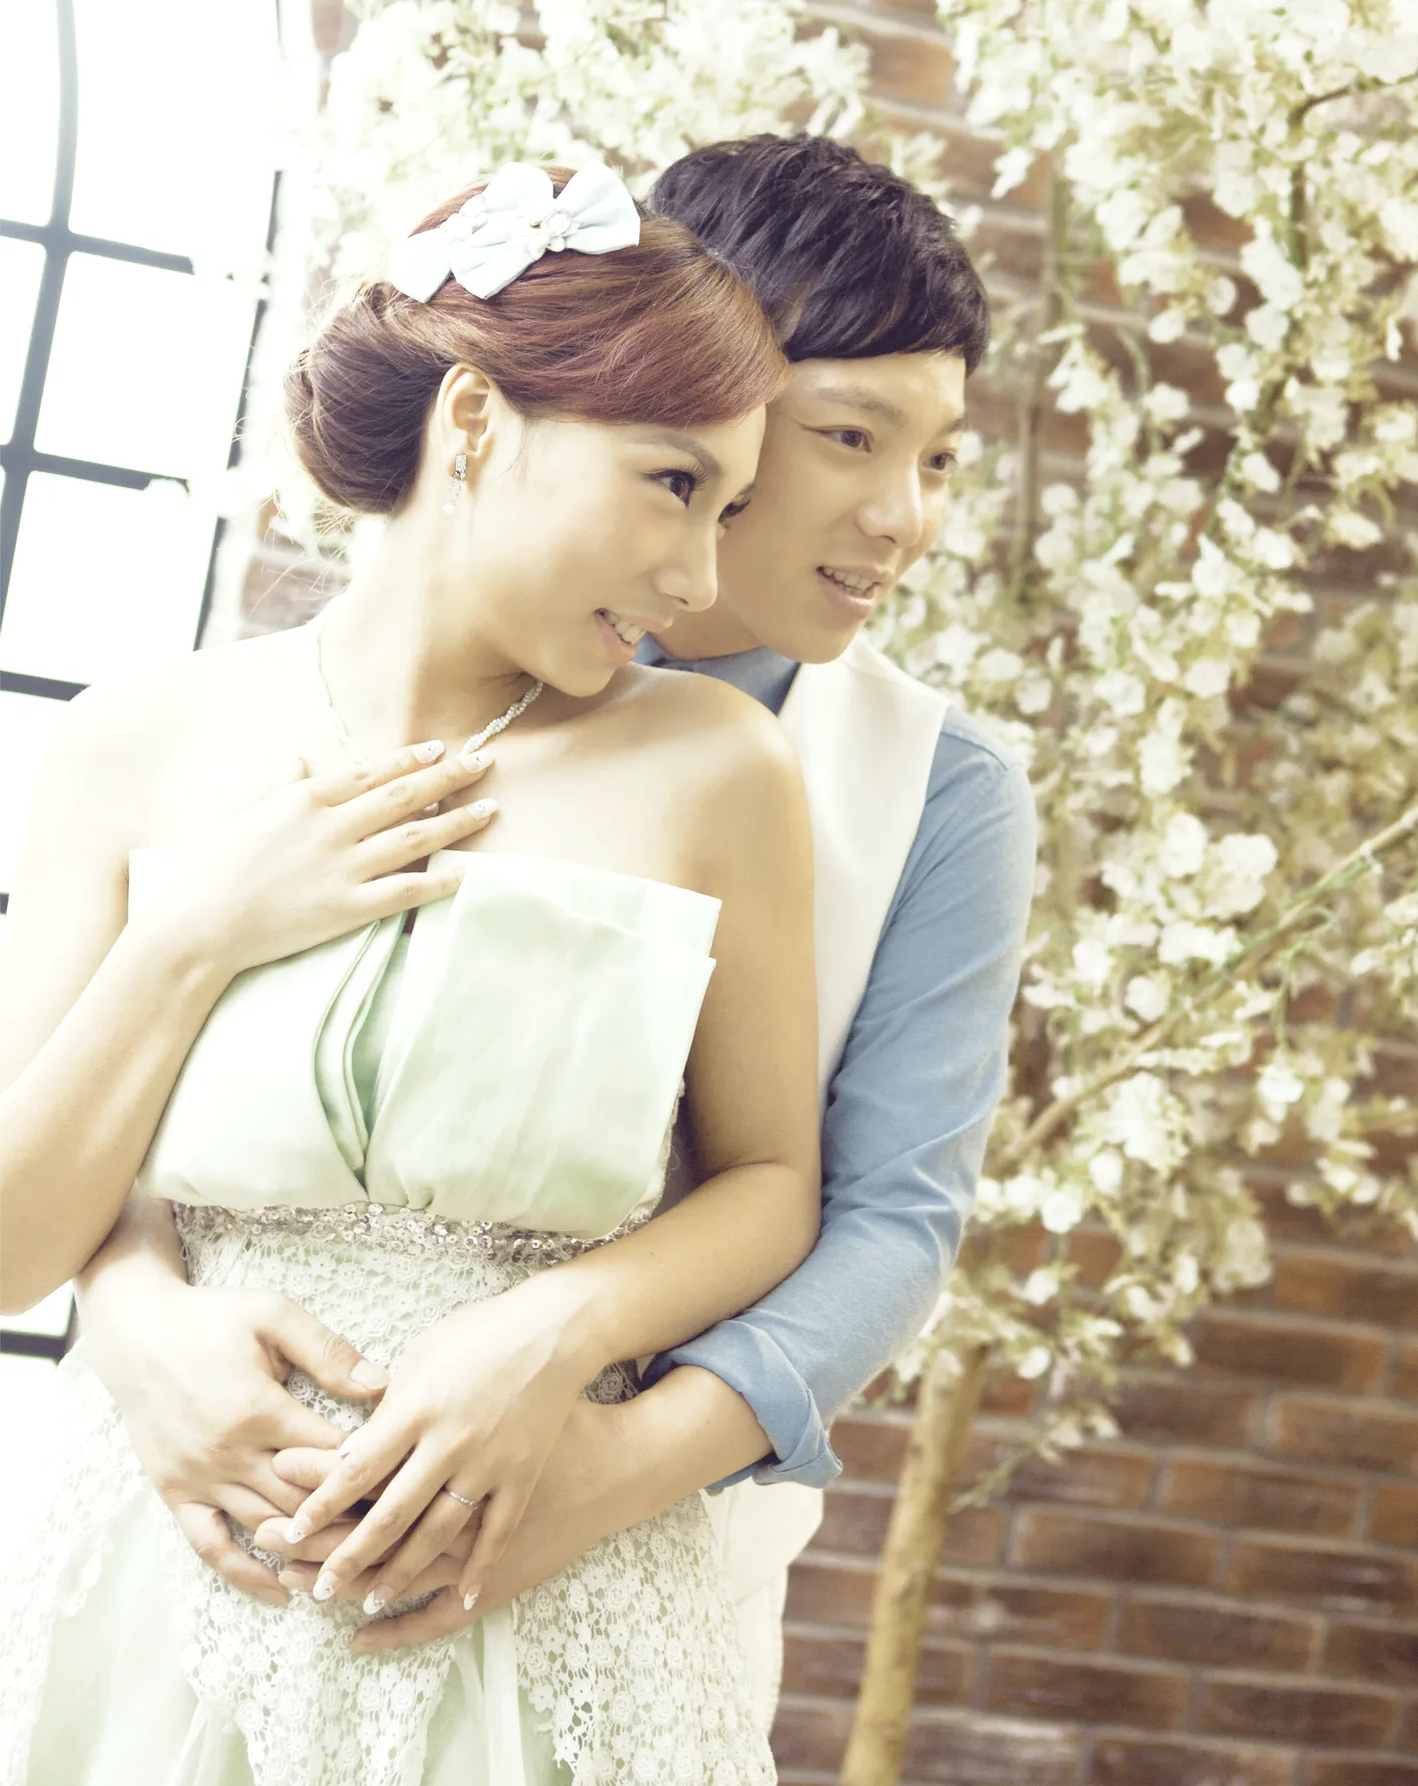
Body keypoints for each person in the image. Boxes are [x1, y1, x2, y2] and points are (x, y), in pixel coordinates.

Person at [68, 136, 1037, 1723]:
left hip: (615, 1567)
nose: (904, 516)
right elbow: (154, 1108)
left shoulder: (928, 789)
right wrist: (132, 1318)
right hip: (207, 1514)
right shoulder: (280, 715)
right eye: (851, 437)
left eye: (939, 459)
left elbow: (885, 1215)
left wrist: (602, 1465)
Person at [0, 161, 825, 1786]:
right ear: (473, 423)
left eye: (726, 511)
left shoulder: (718, 767)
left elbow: (772, 1182)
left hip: (541, 1600)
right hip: (156, 1579)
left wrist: (554, 1331)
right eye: (671, 484)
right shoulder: (134, 743)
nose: (695, 576)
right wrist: (194, 933)